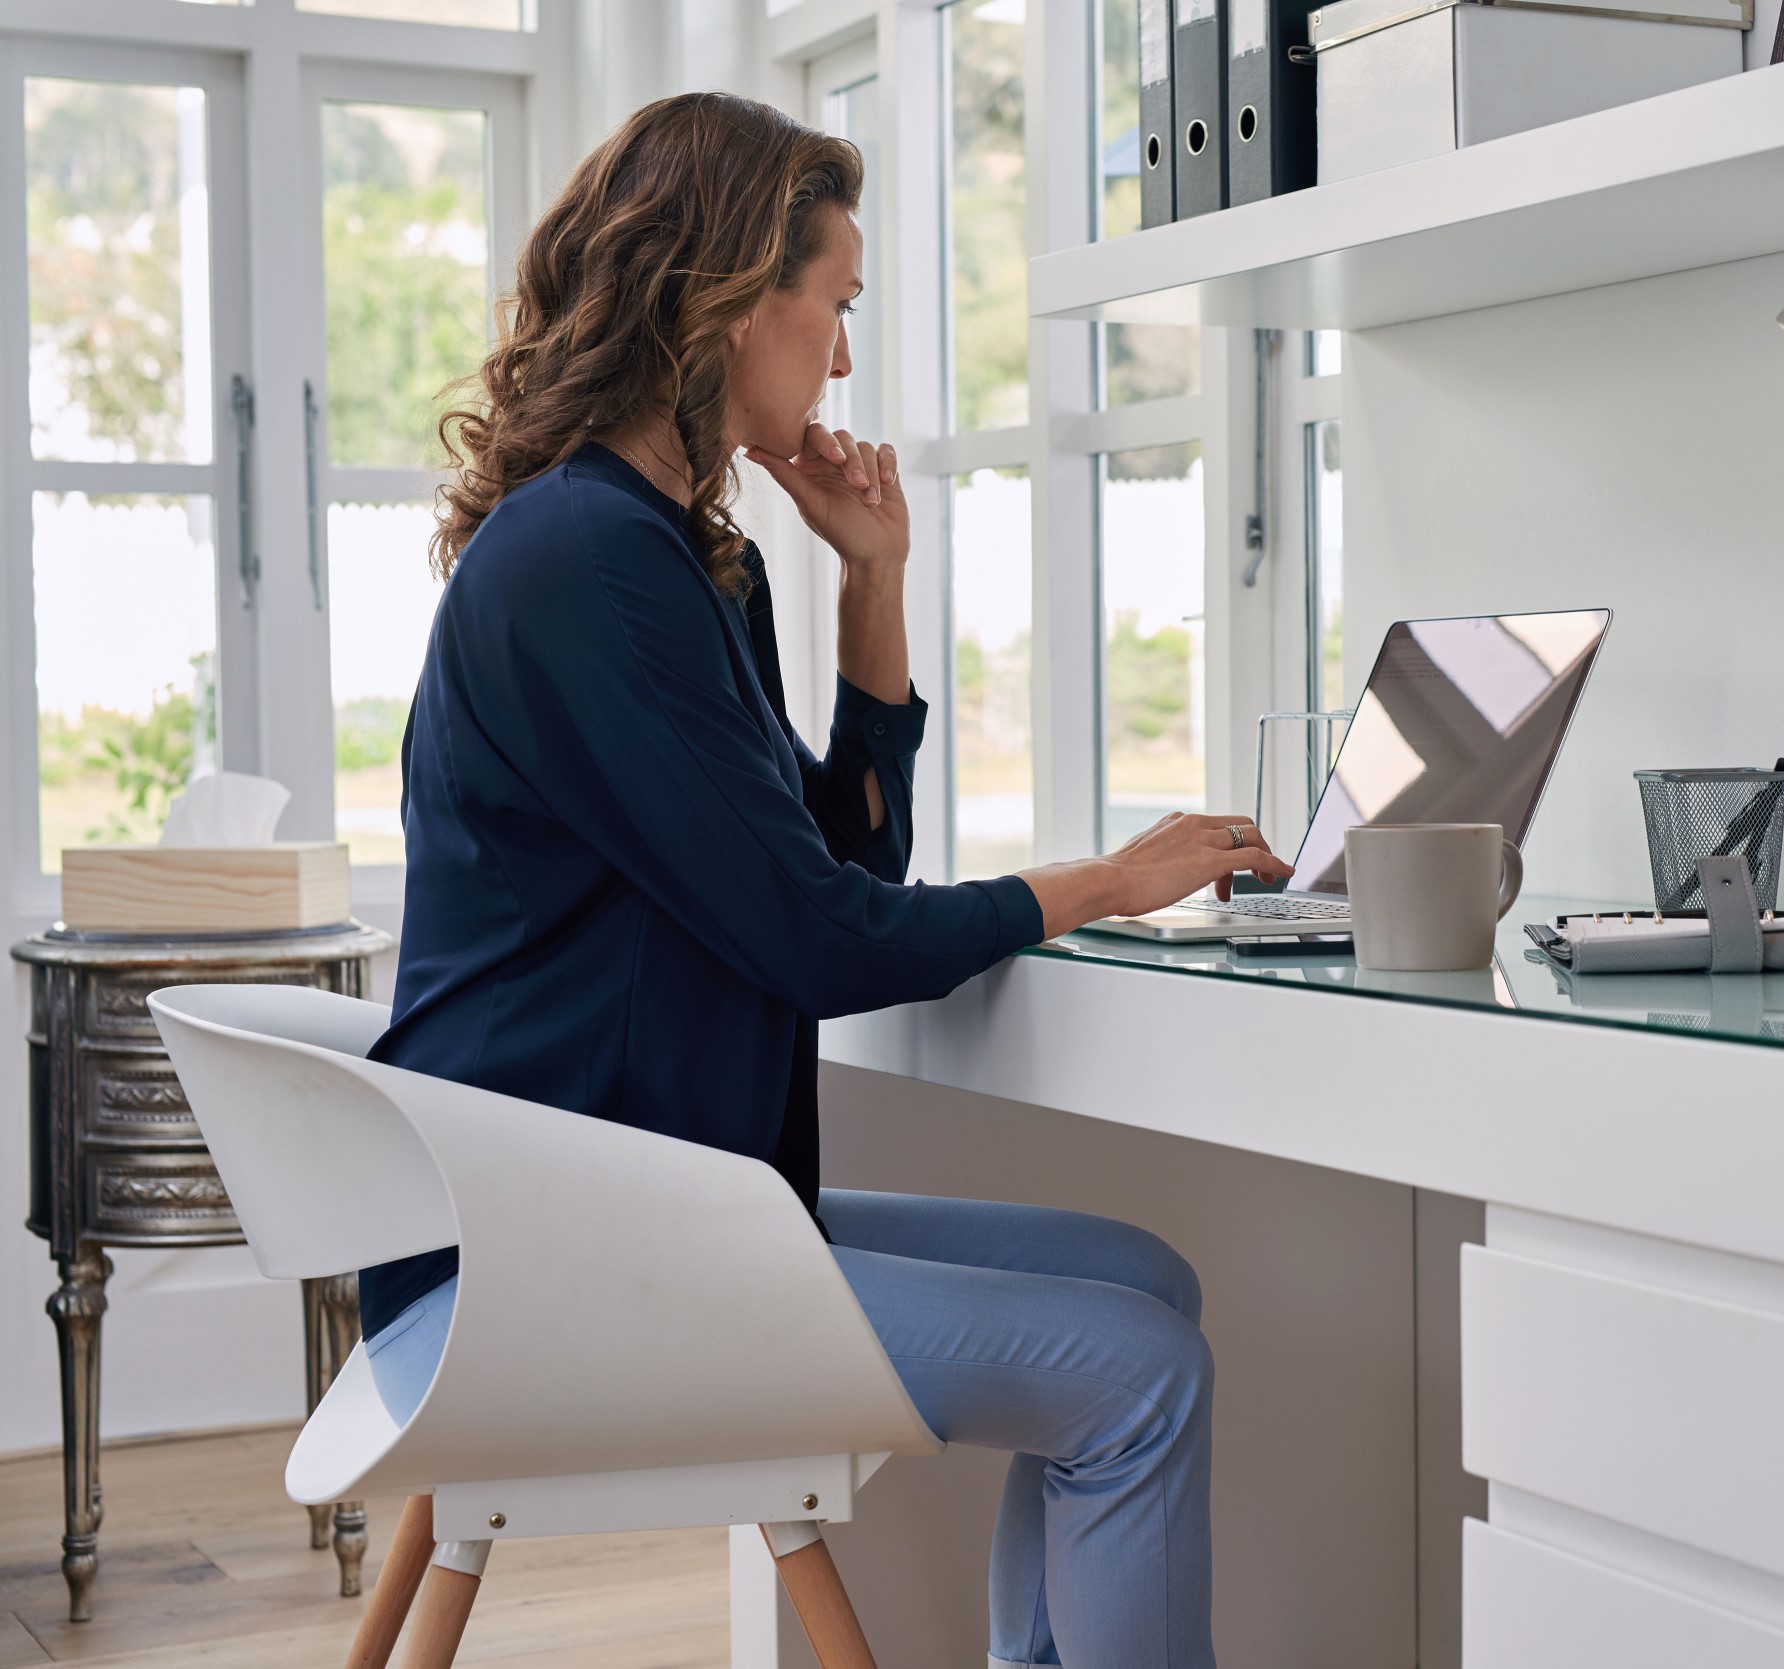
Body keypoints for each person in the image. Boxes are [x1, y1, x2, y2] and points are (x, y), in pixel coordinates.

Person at [356, 91, 1287, 1669]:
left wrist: (873, 580)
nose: (844, 358)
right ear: (726, 298)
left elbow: (841, 860)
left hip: (647, 1206)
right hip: (556, 1268)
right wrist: (1102, 881)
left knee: (1150, 1280)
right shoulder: (587, 564)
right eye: (836, 305)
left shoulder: (675, 559)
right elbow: (816, 938)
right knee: (1142, 1373)